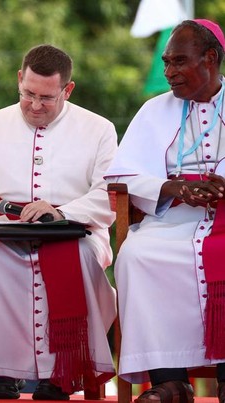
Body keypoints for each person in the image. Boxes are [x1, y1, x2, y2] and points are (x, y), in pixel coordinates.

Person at [0, 44, 118, 400]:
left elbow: (108, 195)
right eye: (28, 94)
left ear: (67, 90)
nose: (35, 105)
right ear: (19, 79)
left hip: (75, 230)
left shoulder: (99, 129)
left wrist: (62, 212)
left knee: (82, 258)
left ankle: (61, 376)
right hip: (4, 231)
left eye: (47, 98)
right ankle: (0, 374)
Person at [105, 19, 225, 403]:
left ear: (210, 58)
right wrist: (173, 188)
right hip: (174, 217)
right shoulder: (155, 110)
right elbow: (122, 174)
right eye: (166, 62)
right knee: (137, 255)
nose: (169, 73)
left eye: (179, 62)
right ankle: (170, 380)